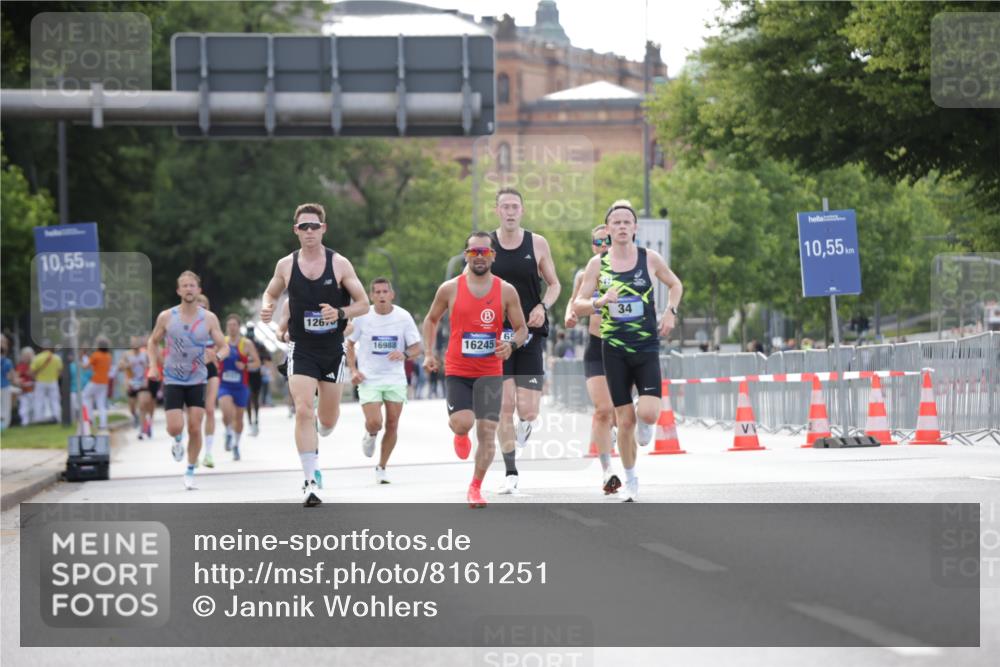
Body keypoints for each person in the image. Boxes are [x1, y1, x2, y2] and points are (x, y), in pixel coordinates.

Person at [573, 200, 683, 502]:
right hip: (613, 349)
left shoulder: (649, 258)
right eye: (616, 223)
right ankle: (631, 477)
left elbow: (675, 284)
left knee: (647, 414)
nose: (621, 227)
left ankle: (646, 422)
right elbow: (577, 305)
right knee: (624, 420)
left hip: (645, 345)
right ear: (608, 230)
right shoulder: (597, 265)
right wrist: (600, 301)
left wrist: (670, 312)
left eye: (626, 222)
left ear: (635, 228)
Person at [260, 202, 369, 507]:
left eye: (314, 226)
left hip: (332, 350)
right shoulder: (285, 265)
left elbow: (364, 303)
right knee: (303, 409)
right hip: (301, 348)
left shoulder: (340, 264)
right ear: (296, 231)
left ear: (324, 229)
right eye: (303, 227)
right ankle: (310, 479)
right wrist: (268, 305)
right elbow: (271, 291)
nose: (309, 231)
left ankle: (323, 430)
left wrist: (340, 312)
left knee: (327, 420)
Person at [423, 231, 528, 508]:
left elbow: (521, 329)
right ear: (466, 255)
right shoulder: (450, 288)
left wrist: (511, 346)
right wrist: (428, 352)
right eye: (473, 252)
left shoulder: (506, 290)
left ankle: (475, 487)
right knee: (463, 423)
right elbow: (431, 319)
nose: (479, 257)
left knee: (486, 432)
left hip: (490, 371)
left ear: (494, 255)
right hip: (458, 369)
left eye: (484, 252)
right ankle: (459, 434)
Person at [488, 187, 561, 495]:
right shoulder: (485, 245)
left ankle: (526, 424)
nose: (509, 211)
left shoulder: (537, 243)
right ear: (497, 211)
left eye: (514, 206)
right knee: (504, 406)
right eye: (504, 206)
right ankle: (511, 472)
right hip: (497, 336)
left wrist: (543, 307)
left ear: (522, 210)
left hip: (530, 333)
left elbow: (555, 284)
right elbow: (470, 283)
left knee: (527, 410)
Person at [147, 270, 229, 490]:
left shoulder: (209, 318)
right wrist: (153, 365)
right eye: (184, 285)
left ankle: (190, 469)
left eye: (192, 285)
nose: (189, 289)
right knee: (175, 427)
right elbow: (152, 342)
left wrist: (216, 357)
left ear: (199, 290)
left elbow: (224, 346)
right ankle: (176, 440)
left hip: (198, 379)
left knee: (195, 426)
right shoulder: (167, 317)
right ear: (178, 290)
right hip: (173, 377)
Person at [346, 278, 422, 485]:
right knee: (375, 422)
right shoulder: (362, 317)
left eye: (384, 292)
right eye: (377, 292)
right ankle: (370, 434)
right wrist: (353, 370)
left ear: (391, 295)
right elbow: (349, 345)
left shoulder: (403, 317)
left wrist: (404, 354)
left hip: (395, 378)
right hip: (369, 377)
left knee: (392, 423)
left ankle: (381, 467)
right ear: (371, 296)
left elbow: (417, 347)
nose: (381, 295)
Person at [566, 224, 622, 495]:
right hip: (596, 345)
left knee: (622, 412)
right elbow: (574, 300)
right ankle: (607, 471)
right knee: (602, 409)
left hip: (625, 345)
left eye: (606, 240)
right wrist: (570, 314)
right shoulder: (587, 272)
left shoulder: (628, 268)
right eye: (597, 241)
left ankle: (628, 424)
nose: (602, 245)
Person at [218, 314, 261, 462]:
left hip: (241, 386)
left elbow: (257, 363)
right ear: (226, 327)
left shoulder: (246, 343)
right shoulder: (222, 342)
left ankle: (236, 444)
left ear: (238, 326)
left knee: (239, 417)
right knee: (226, 412)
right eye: (229, 325)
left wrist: (245, 366)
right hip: (224, 385)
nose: (231, 327)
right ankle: (228, 432)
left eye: (234, 325)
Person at [196, 294, 221, 467]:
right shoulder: (186, 325)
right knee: (194, 415)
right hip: (192, 372)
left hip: (210, 369)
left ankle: (209, 453)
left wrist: (215, 354)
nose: (202, 308)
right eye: (199, 305)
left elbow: (222, 344)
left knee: (210, 410)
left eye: (204, 305)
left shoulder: (212, 323)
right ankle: (193, 451)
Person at [81, 338, 112, 432]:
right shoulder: (108, 356)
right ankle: (103, 424)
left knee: (85, 396)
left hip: (95, 380)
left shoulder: (96, 355)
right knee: (101, 404)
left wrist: (80, 362)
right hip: (104, 382)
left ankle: (89, 419)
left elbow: (85, 366)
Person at [30, 342, 63, 423]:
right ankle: (57, 416)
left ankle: (38, 418)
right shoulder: (57, 358)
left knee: (39, 400)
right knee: (55, 400)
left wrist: (35, 378)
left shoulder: (37, 358)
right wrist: (55, 377)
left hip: (40, 381)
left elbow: (32, 371)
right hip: (53, 381)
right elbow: (60, 371)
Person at [245, 325, 268, 437]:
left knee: (255, 397)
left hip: (256, 373)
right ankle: (250, 422)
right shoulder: (243, 343)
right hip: (246, 373)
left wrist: (260, 361)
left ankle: (256, 420)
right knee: (248, 397)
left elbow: (267, 357)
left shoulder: (259, 344)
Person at [15, 347, 35, 426]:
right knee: (24, 407)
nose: (27, 357)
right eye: (25, 356)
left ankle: (33, 421)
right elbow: (16, 377)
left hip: (35, 389)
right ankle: (24, 422)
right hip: (24, 390)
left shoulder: (34, 364)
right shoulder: (21, 366)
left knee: (34, 406)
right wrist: (20, 382)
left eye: (29, 355)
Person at [1, 335, 13, 430]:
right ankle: (4, 426)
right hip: (4, 386)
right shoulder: (7, 361)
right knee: (5, 407)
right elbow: (10, 376)